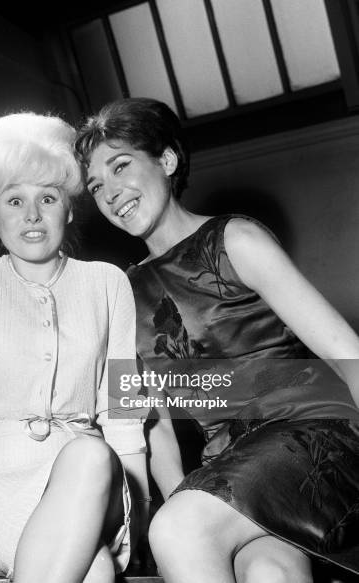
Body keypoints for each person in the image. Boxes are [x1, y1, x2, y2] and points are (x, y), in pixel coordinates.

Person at [75, 97, 359, 583]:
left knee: (181, 529)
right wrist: (176, 501)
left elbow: (347, 353)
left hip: (314, 436)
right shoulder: (118, 292)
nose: (111, 193)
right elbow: (151, 421)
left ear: (167, 161)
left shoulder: (236, 239)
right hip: (230, 466)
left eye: (121, 166)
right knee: (270, 571)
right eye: (97, 186)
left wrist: (180, 523)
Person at [0, 112, 150, 583]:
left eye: (47, 198)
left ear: (68, 209)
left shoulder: (107, 284)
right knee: (96, 570)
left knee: (90, 455)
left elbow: (122, 408)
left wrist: (139, 513)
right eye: (14, 200)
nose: (31, 215)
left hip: (89, 479)